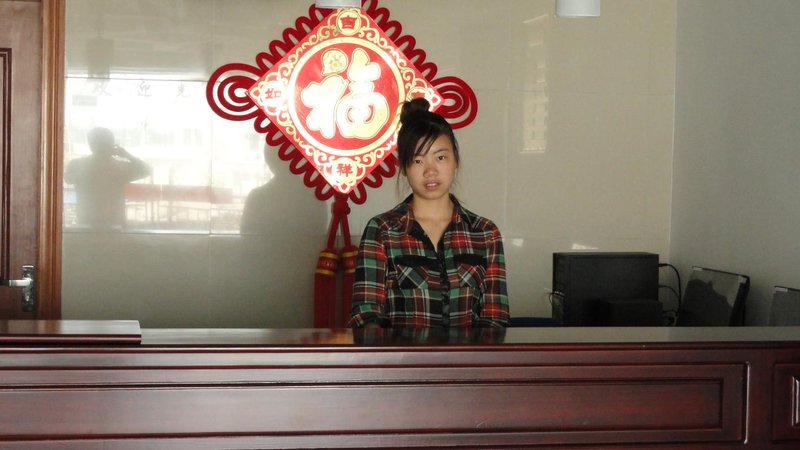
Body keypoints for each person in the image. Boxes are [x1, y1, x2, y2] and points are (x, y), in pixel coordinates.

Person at [348, 98, 509, 328]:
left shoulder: (485, 233)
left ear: (455, 160)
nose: (430, 171)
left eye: (440, 157)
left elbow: (495, 319)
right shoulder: (382, 231)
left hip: (469, 354)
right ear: (404, 167)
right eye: (418, 160)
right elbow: (365, 315)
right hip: (401, 353)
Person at [64, 127, 151, 229]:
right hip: (114, 222)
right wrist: (126, 154)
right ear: (112, 145)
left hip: (87, 221)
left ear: (91, 144)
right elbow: (147, 170)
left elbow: (67, 179)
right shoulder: (119, 167)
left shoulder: (77, 165)